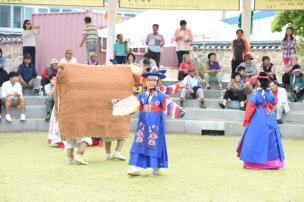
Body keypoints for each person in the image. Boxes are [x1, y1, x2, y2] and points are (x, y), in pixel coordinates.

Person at [113, 70, 185, 176]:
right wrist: (119, 103)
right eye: (149, 80)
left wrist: (179, 111)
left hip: (156, 125)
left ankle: (156, 168)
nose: (151, 82)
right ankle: (135, 168)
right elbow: (131, 104)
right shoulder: (141, 96)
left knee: (155, 143)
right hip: (143, 125)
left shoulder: (162, 96)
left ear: (158, 83)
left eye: (153, 80)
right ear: (146, 82)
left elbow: (170, 105)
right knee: (139, 143)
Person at [237, 72, 285, 169]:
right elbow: (274, 102)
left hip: (258, 117)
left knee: (255, 137)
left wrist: (246, 120)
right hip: (269, 116)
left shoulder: (256, 95)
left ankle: (253, 162)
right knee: (271, 137)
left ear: (258, 82)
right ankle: (273, 162)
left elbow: (250, 107)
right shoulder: (270, 94)